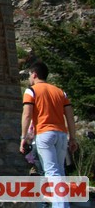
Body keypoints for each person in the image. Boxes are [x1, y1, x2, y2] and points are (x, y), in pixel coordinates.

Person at [20, 61, 78, 208]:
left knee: (52, 172)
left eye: (29, 75)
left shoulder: (31, 91)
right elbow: (70, 117)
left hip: (45, 134)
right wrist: (73, 138)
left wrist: (24, 137)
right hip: (61, 134)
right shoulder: (60, 92)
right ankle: (63, 204)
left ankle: (61, 206)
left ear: (34, 74)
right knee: (60, 171)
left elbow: (27, 115)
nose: (29, 79)